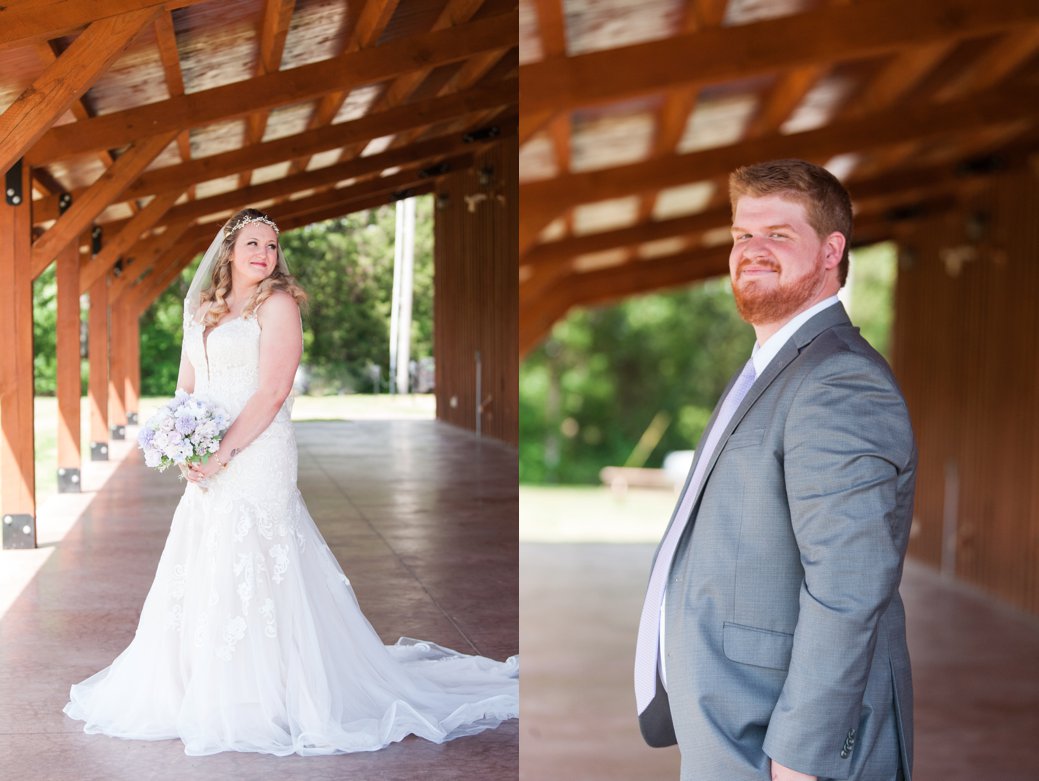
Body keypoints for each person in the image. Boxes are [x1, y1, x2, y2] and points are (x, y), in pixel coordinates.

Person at [64, 208, 518, 756]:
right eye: (252, 243)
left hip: (257, 450)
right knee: (206, 554)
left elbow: (274, 389)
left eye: (272, 246)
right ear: (229, 251)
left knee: (260, 554)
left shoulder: (277, 305)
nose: (263, 254)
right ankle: (200, 686)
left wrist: (224, 452)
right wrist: (182, 444)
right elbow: (188, 387)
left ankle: (273, 694)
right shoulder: (201, 309)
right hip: (209, 456)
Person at [633, 160, 917, 781]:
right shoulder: (778, 365)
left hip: (779, 745)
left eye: (779, 235)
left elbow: (849, 586)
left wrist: (798, 756)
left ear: (830, 251)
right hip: (735, 714)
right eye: (741, 235)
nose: (752, 251)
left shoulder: (838, 381)